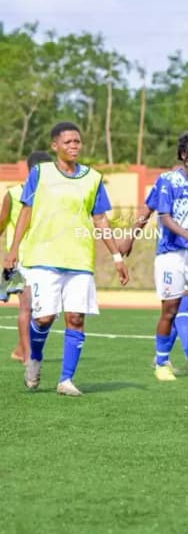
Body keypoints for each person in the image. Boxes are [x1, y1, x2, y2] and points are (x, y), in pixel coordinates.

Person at [3, 123, 130, 395]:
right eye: (69, 142)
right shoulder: (40, 173)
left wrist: (117, 256)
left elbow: (100, 219)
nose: (74, 146)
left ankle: (66, 380)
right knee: (45, 318)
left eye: (77, 142)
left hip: (80, 259)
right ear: (55, 146)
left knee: (76, 318)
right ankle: (34, 358)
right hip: (42, 257)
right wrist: (13, 250)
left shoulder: (93, 178)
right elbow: (26, 211)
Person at [140, 133, 188, 381]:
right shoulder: (168, 181)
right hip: (172, 255)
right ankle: (161, 362)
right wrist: (130, 234)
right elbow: (164, 217)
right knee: (170, 310)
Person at [1, 150, 54, 363]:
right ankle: (29, 356)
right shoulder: (13, 194)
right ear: (30, 171)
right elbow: (2, 222)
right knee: (27, 306)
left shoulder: (52, 197)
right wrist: (9, 254)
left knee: (44, 310)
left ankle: (20, 348)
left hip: (46, 258)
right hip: (21, 259)